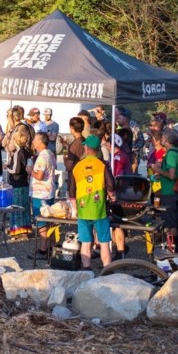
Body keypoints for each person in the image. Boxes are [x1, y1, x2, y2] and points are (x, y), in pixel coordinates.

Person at [69, 135, 119, 268]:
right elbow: (111, 185)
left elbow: (71, 191)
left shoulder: (78, 166)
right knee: (104, 242)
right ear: (97, 149)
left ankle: (87, 270)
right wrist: (111, 195)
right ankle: (107, 269)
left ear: (86, 147)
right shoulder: (102, 165)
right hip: (100, 210)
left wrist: (75, 209)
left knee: (85, 242)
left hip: (83, 209)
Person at [149, 129, 178, 252]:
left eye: (163, 137)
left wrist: (157, 170)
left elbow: (172, 175)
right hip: (170, 191)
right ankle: (173, 248)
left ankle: (173, 251)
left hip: (170, 193)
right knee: (170, 221)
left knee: (171, 223)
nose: (161, 139)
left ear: (167, 140)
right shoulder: (175, 152)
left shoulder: (171, 154)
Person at [28, 131, 56, 259]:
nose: (33, 141)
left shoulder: (42, 157)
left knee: (42, 221)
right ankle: (52, 247)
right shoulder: (50, 153)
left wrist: (30, 171)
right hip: (49, 191)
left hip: (41, 193)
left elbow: (39, 176)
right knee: (50, 220)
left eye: (35, 139)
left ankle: (43, 249)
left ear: (40, 141)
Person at [5, 124, 33, 237]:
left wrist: (7, 167)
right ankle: (26, 229)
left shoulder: (17, 153)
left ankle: (17, 229)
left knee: (16, 206)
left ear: (16, 140)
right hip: (25, 183)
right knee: (25, 207)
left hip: (16, 183)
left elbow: (15, 170)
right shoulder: (27, 152)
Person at [115, 107, 144, 173]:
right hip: (123, 156)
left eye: (120, 118)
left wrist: (133, 149)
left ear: (125, 118)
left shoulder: (134, 126)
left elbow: (141, 140)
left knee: (132, 175)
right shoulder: (118, 127)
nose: (118, 120)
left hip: (133, 157)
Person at [62, 116, 86, 196]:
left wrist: (65, 159)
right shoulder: (84, 140)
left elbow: (69, 166)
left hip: (74, 179)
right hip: (84, 176)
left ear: (72, 128)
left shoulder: (75, 145)